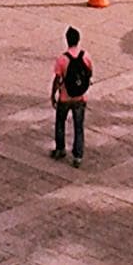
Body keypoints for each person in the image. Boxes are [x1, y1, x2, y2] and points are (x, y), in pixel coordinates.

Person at [51, 26, 93, 168]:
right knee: (78, 126)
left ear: (67, 40)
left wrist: (53, 95)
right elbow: (89, 73)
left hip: (65, 97)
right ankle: (78, 156)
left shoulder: (62, 59)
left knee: (60, 122)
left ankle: (60, 148)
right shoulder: (86, 56)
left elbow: (57, 79)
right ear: (78, 40)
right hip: (81, 98)